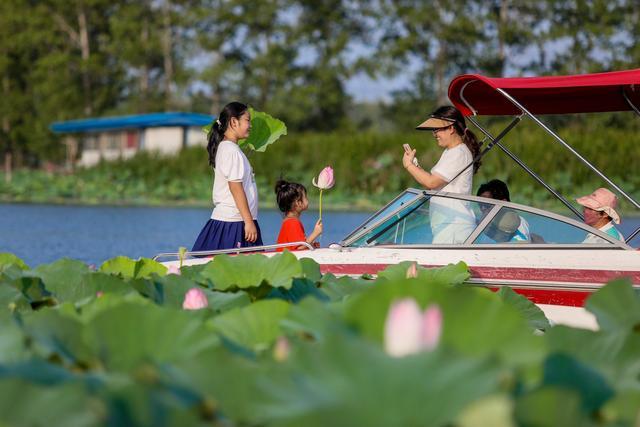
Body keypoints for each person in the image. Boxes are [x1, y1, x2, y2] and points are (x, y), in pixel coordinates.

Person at [403, 106, 482, 244]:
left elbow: (431, 183)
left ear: (451, 128)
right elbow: (435, 183)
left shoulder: (458, 153)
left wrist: (408, 165)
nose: (434, 134)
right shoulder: (451, 152)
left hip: (454, 226)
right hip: (448, 225)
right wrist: (416, 166)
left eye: (437, 129)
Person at [192, 102, 263, 251]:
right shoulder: (231, 151)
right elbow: (235, 187)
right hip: (235, 222)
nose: (250, 125)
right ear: (233, 122)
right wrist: (248, 222)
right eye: (247, 120)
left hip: (236, 220)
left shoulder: (227, 148)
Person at [275, 179, 323, 251]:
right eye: (305, 197)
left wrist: (310, 244)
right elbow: (299, 248)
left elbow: (298, 246)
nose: (307, 199)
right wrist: (315, 233)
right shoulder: (293, 223)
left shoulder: (289, 221)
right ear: (298, 203)